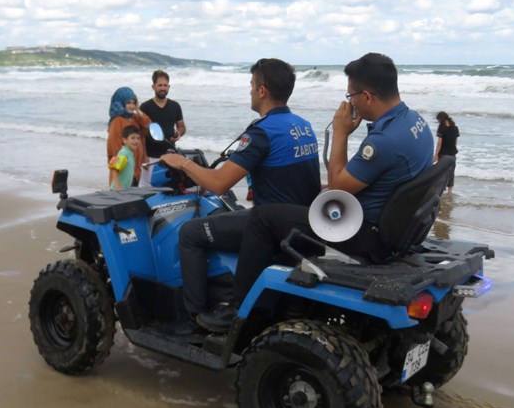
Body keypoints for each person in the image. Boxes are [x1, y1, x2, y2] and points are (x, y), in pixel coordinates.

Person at [226, 53, 434, 332]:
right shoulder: (414, 121)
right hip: (396, 226)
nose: (350, 103)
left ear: (368, 97)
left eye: (351, 97)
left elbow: (337, 183)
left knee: (263, 216)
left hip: (366, 233)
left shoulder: (384, 141)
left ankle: (240, 311)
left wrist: (340, 133)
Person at [158, 58, 320, 331]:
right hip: (306, 225)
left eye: (251, 85)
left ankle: (197, 316)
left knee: (190, 233)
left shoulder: (262, 133)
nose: (249, 91)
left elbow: (219, 184)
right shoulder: (304, 126)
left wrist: (182, 163)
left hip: (270, 227)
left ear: (262, 91)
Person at [107, 87, 151, 186]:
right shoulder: (117, 121)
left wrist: (139, 111)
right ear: (121, 103)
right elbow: (115, 150)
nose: (132, 106)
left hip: (135, 171)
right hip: (124, 173)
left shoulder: (134, 118)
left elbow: (148, 127)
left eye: (134, 103)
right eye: (128, 103)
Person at [140, 70, 186, 159]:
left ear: (169, 87)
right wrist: (143, 155)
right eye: (160, 85)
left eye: (165, 85)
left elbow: (181, 127)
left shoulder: (175, 106)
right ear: (153, 86)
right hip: (150, 156)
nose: (163, 88)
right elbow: (140, 133)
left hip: (170, 155)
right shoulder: (145, 107)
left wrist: (179, 133)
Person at [108, 125, 141, 190]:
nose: (136, 141)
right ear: (124, 140)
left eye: (138, 138)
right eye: (133, 138)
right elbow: (114, 169)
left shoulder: (130, 153)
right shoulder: (124, 153)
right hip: (117, 191)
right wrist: (118, 187)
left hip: (124, 190)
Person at [434, 111, 459, 194]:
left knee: (442, 174)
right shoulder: (455, 128)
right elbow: (455, 142)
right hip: (452, 154)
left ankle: (440, 192)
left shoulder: (441, 128)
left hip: (443, 154)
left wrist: (436, 154)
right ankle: (450, 192)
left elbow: (439, 143)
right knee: (451, 173)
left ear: (440, 119)